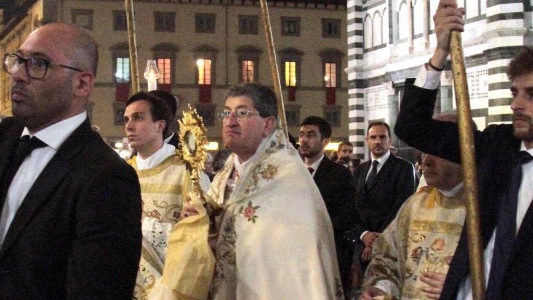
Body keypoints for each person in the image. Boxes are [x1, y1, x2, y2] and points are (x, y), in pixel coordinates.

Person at [395, 1, 533, 298]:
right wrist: (440, 53)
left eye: (530, 95)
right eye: (514, 93)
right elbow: (411, 127)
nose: (516, 105)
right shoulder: (497, 146)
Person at [0, 22, 142, 299]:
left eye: (38, 64)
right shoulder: (5, 138)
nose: (18, 74)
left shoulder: (106, 178)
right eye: (17, 60)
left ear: (81, 83)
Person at [205, 83, 342, 299]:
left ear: (268, 124)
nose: (230, 121)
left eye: (241, 113)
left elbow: (294, 258)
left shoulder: (287, 177)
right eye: (226, 113)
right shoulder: (226, 172)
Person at [361, 112, 466, 300]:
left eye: (436, 151)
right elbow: (387, 259)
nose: (426, 161)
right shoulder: (416, 205)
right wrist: (383, 288)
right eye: (424, 151)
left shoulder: (488, 207)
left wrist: (462, 284)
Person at [123, 91, 210, 299]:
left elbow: (199, 238)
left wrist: (145, 225)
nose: (129, 126)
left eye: (138, 117)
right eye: (126, 119)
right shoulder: (122, 173)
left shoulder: (186, 171)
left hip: (170, 283)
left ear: (160, 125)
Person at [346, 121, 416, 295]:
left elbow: (401, 208)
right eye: (373, 137)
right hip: (361, 244)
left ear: (390, 140)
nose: (378, 141)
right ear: (367, 140)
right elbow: (354, 207)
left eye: (382, 137)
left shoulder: (403, 169)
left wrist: (378, 239)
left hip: (389, 244)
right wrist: (364, 235)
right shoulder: (361, 170)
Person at [299, 115, 357, 294]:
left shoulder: (339, 175)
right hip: (295, 253)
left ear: (325, 141)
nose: (304, 140)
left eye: (311, 135)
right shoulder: (291, 172)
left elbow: (346, 216)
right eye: (301, 135)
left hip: (326, 252)